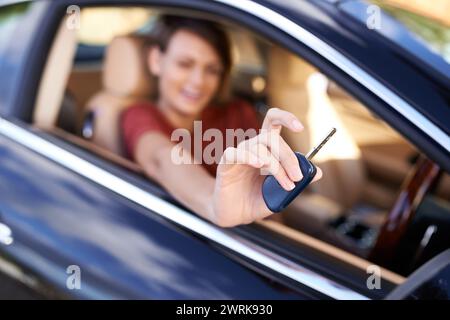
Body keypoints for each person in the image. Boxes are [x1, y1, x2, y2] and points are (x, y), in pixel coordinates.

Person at [121, 15, 322, 227]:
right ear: (156, 61)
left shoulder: (237, 113)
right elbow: (160, 159)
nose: (198, 81)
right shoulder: (139, 115)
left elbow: (270, 212)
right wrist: (213, 203)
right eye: (184, 64)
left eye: (212, 70)